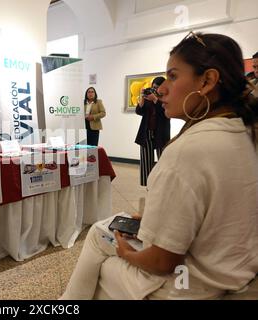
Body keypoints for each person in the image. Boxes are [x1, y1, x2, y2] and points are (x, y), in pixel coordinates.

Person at [61, 32, 258, 300]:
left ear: (208, 80)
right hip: (236, 274)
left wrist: (126, 252)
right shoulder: (247, 132)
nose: (162, 88)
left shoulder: (189, 150)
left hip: (190, 287)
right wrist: (159, 214)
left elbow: (162, 261)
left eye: (173, 76)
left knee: (99, 236)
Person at [135, 77, 170, 186]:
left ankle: (164, 184)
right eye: (153, 87)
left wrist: (155, 99)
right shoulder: (148, 95)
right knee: (146, 161)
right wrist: (142, 98)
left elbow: (166, 113)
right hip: (146, 132)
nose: (155, 90)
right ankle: (148, 185)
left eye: (157, 87)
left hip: (161, 132)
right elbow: (139, 111)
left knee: (163, 159)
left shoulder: (167, 96)